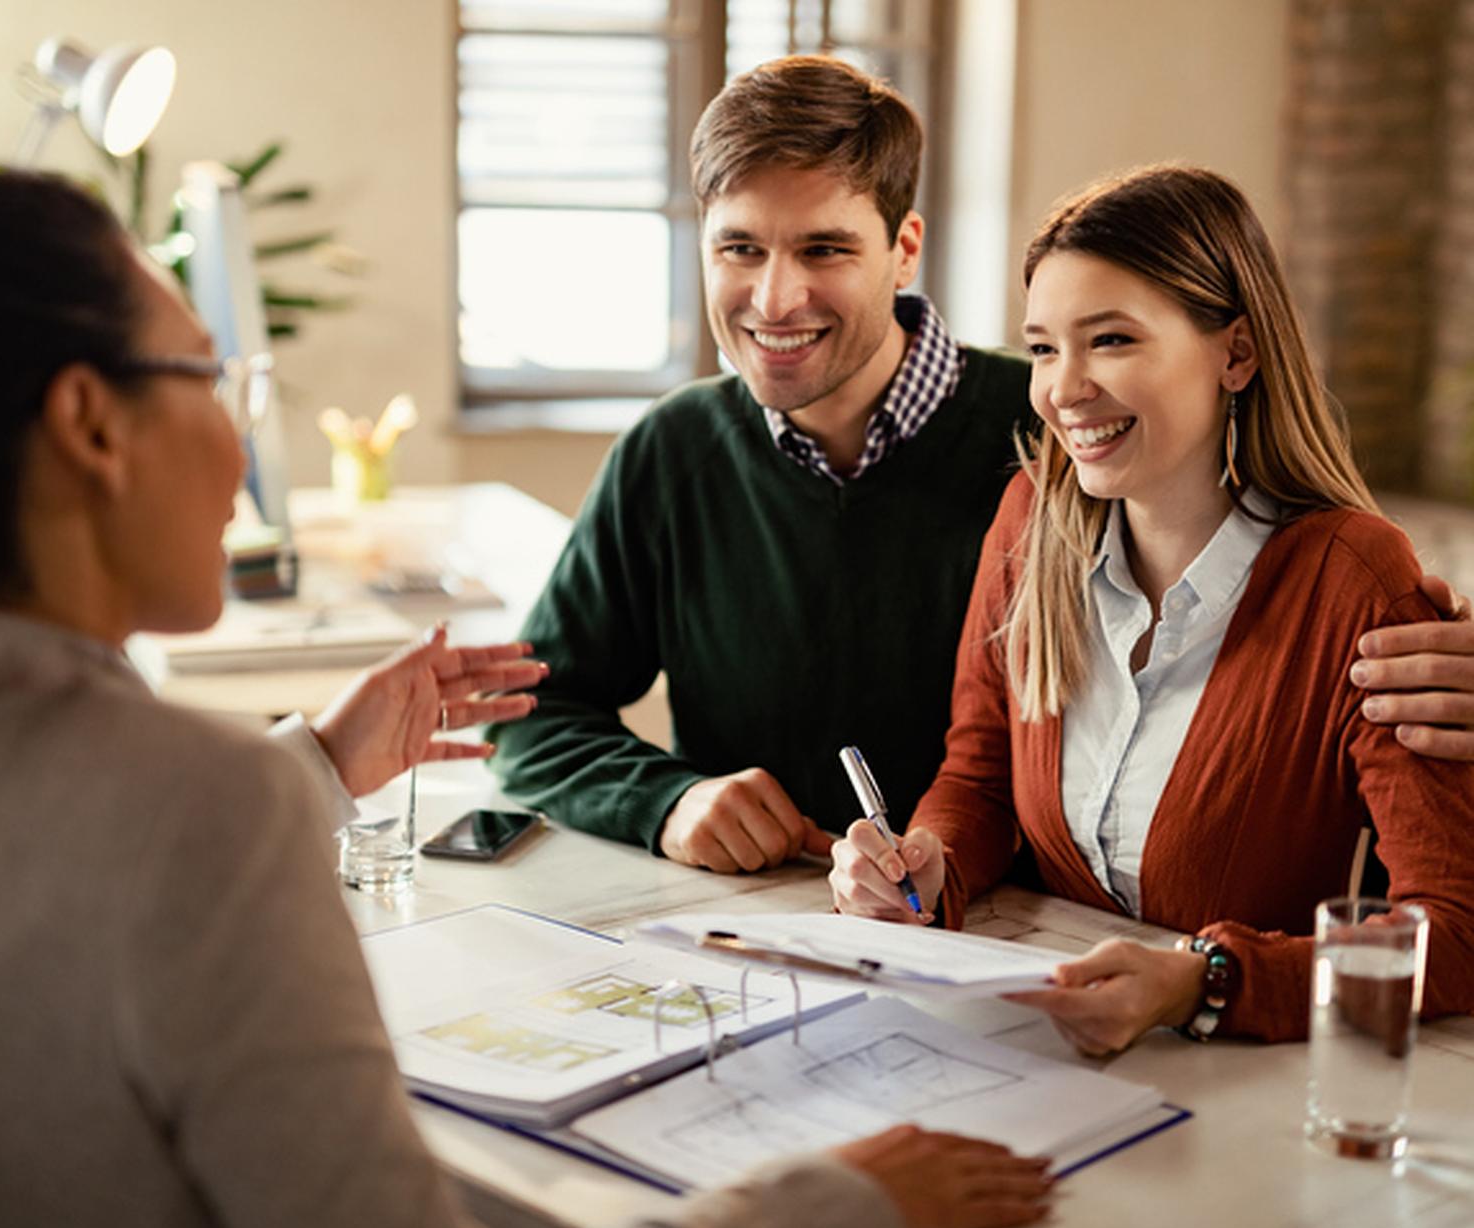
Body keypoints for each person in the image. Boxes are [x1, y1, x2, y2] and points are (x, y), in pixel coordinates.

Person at [0, 168, 1054, 1228]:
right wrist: (827, 1209)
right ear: (90, 426)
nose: (239, 435)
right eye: (209, 374)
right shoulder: (204, 807)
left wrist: (312, 762)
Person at [490, 55, 1474, 876]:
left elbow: (1297, 585)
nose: (773, 297)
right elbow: (532, 712)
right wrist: (668, 799)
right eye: (736, 248)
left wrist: (1426, 648)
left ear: (902, 248)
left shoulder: (1068, 439)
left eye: (824, 249)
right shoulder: (672, 453)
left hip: (1032, 936)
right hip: (764, 932)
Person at [828, 164, 1474, 1050]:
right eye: (1046, 347)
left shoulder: (1355, 579)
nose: (1064, 388)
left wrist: (1203, 982)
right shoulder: (1032, 524)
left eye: (1113, 341)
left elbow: (1453, 933)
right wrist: (929, 863)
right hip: (1037, 1052)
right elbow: (978, 782)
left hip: (1244, 1090)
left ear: (1236, 353)